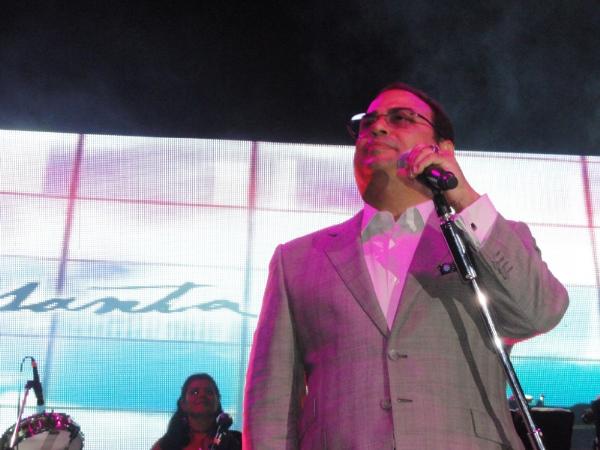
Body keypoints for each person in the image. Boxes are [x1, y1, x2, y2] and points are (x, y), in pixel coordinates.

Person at [243, 82, 569, 450]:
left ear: (443, 150)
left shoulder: (485, 236)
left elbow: (540, 313)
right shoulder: (298, 259)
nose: (378, 128)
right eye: (367, 123)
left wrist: (463, 196)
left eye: (401, 118)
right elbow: (270, 406)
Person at [151, 373, 241, 450]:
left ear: (218, 402)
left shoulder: (238, 441)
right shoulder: (165, 445)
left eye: (209, 392)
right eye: (194, 392)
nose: (202, 395)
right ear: (183, 404)